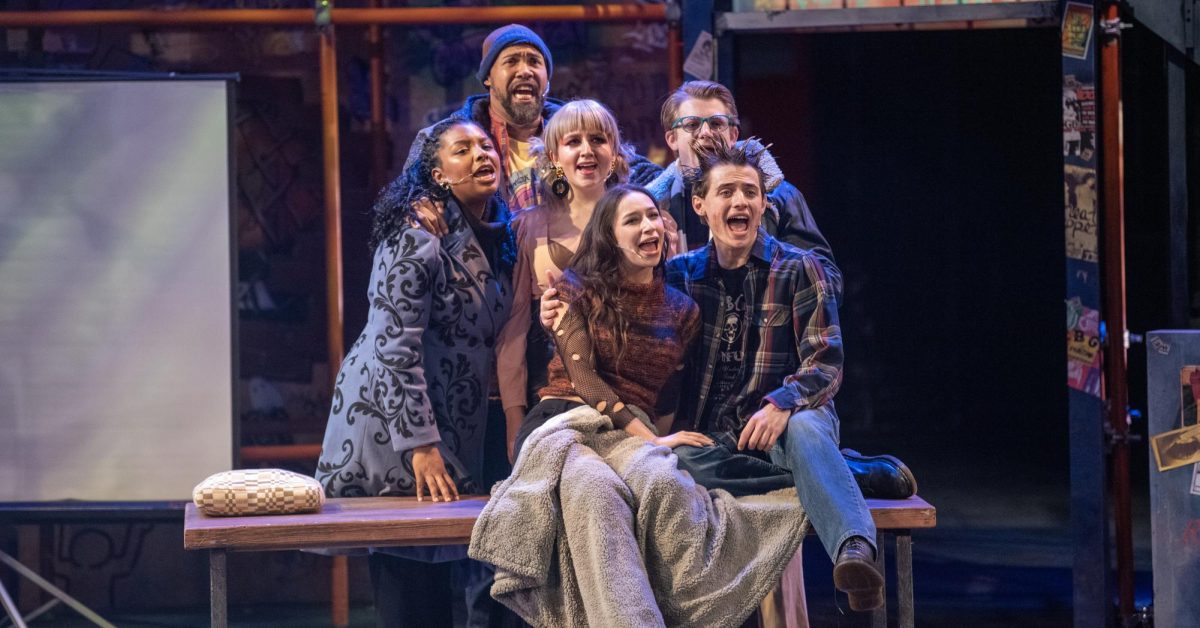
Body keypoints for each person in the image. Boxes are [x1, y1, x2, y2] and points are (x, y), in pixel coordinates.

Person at [315, 117, 516, 627]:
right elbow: (392, 344)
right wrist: (420, 444)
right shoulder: (415, 232)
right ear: (436, 174)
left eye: (486, 146)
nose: (480, 155)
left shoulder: (497, 235)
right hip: (395, 429)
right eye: (462, 149)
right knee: (411, 595)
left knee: (447, 585)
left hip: (449, 425)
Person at [496, 100, 654, 461]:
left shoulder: (648, 221)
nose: (587, 150)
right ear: (553, 156)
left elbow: (666, 320)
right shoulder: (528, 226)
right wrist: (513, 418)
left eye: (598, 139)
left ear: (614, 152)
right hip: (554, 399)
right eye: (573, 142)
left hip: (628, 401)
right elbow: (513, 331)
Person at [510, 183, 711, 457]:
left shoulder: (684, 310)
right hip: (565, 415)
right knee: (589, 479)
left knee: (662, 478)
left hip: (632, 429)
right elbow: (583, 378)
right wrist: (650, 438)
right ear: (610, 237)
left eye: (653, 216)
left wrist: (659, 444)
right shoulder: (574, 288)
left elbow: (668, 400)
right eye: (632, 220)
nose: (649, 226)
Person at [405, 24, 661, 219]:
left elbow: (638, 172)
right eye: (511, 61)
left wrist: (664, 201)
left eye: (534, 62)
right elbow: (402, 197)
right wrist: (416, 204)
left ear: (547, 82)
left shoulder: (579, 131)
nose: (525, 70)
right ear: (488, 78)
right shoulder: (444, 139)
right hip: (486, 279)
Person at [647, 80, 840, 298]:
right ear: (672, 139)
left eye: (716, 124)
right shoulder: (652, 208)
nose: (705, 132)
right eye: (691, 124)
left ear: (733, 135)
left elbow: (829, 281)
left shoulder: (776, 196)